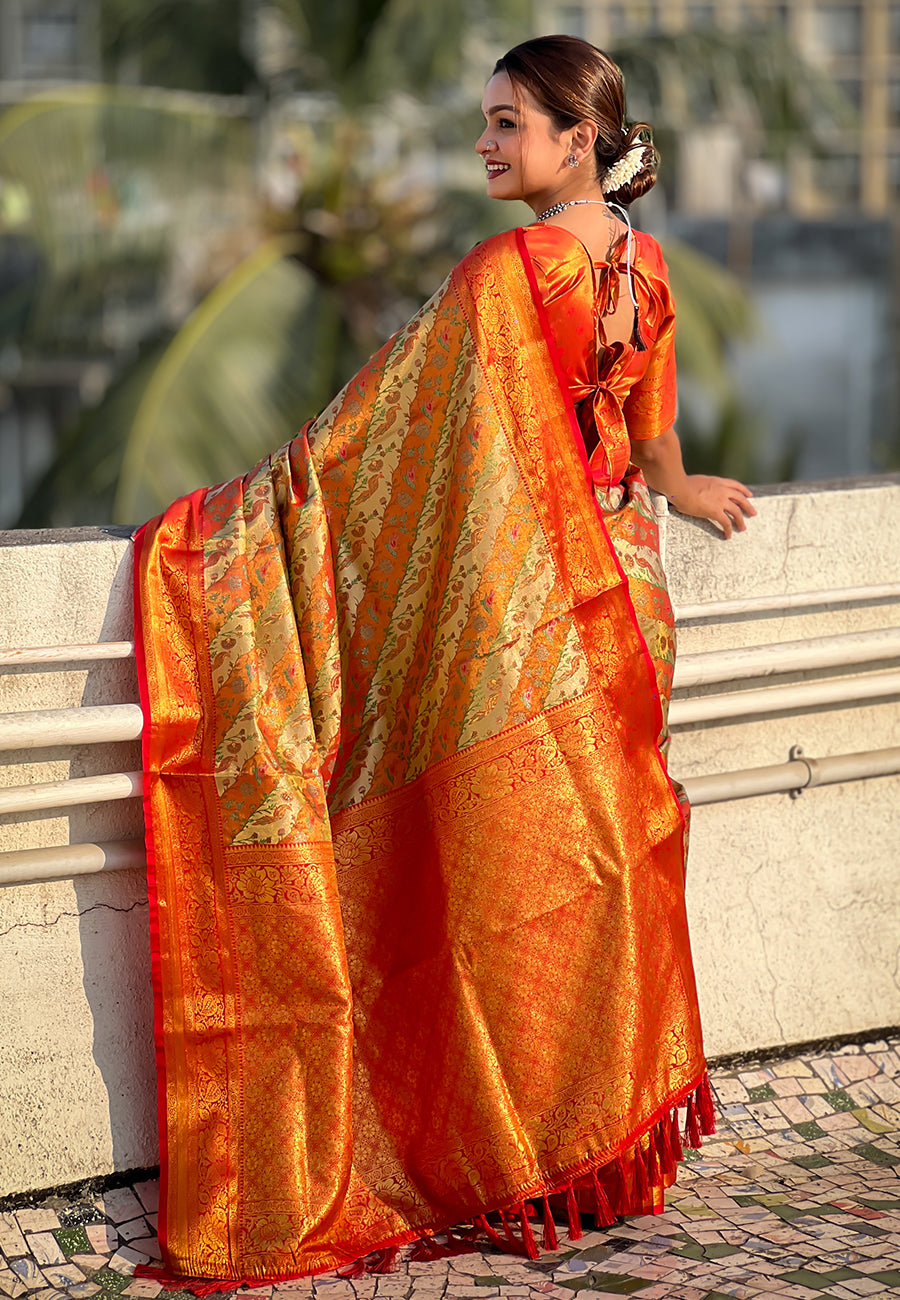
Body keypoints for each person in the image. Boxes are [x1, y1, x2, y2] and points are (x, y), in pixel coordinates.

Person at [133, 34, 754, 1294]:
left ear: (579, 141)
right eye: (487, 119)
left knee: (493, 895)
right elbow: (656, 435)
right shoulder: (646, 268)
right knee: (592, 895)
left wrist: (251, 514)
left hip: (534, 637)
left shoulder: (510, 269)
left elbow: (377, 440)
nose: (485, 142)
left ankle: (507, 1154)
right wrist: (687, 493)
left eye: (508, 123)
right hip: (628, 607)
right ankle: (595, 1161)